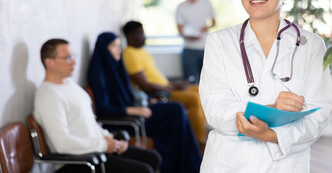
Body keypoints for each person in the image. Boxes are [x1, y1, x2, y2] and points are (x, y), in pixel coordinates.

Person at [199, 0, 332, 173]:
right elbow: (216, 110)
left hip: (286, 164)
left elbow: (320, 112)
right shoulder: (219, 43)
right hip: (229, 163)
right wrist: (272, 109)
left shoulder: (311, 45)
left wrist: (270, 135)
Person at [33, 39, 161, 173]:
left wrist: (109, 138)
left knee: (153, 158)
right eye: (67, 58)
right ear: (49, 62)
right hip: (79, 160)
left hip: (95, 149)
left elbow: (90, 123)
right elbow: (62, 144)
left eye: (73, 57)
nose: (74, 62)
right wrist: (104, 145)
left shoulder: (70, 85)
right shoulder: (49, 96)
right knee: (143, 170)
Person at [87, 32, 202, 173]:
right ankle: (186, 166)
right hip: (123, 120)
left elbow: (128, 96)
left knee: (175, 110)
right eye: (114, 46)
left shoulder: (117, 68)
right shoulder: (98, 74)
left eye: (119, 46)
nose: (118, 50)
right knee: (175, 111)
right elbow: (104, 109)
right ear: (104, 49)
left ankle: (190, 164)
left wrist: (146, 102)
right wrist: (134, 111)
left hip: (134, 112)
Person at [121, 21, 206, 143]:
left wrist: (175, 84)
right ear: (129, 36)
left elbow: (155, 77)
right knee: (194, 99)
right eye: (140, 34)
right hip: (159, 93)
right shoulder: (130, 54)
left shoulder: (142, 51)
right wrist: (173, 87)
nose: (144, 37)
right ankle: (199, 141)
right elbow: (146, 86)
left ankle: (199, 131)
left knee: (200, 89)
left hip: (167, 86)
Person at [176, 0, 216, 84]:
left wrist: (206, 28)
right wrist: (190, 37)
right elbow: (180, 30)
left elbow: (213, 22)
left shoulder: (206, 3)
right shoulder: (181, 7)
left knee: (208, 81)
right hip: (189, 49)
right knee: (191, 81)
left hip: (205, 48)